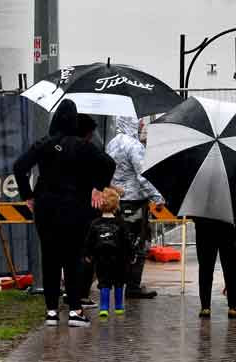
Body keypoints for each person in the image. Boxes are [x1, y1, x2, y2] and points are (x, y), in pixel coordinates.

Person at [13, 100, 115, 328]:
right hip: (75, 209)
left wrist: (27, 195)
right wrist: (98, 187)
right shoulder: (83, 146)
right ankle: (75, 311)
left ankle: (51, 312)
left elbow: (19, 166)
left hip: (46, 207)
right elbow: (109, 164)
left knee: (49, 258)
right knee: (72, 259)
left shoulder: (44, 144)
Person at [106, 116, 163, 299]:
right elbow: (143, 175)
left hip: (117, 201)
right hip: (135, 202)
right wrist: (157, 197)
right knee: (139, 244)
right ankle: (133, 286)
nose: (141, 125)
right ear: (130, 122)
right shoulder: (134, 146)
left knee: (120, 243)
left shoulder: (111, 144)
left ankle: (118, 282)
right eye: (139, 121)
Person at [84, 187, 129, 318]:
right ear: (116, 205)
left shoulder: (94, 224)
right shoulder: (121, 223)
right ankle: (119, 306)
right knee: (119, 282)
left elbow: (89, 241)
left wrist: (88, 254)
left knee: (104, 282)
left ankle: (104, 307)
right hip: (119, 259)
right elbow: (126, 241)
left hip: (101, 258)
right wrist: (131, 255)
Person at [192, 216, 236, 320]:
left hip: (205, 225)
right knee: (231, 268)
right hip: (227, 224)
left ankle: (205, 307)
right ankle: (233, 307)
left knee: (206, 268)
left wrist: (198, 219)